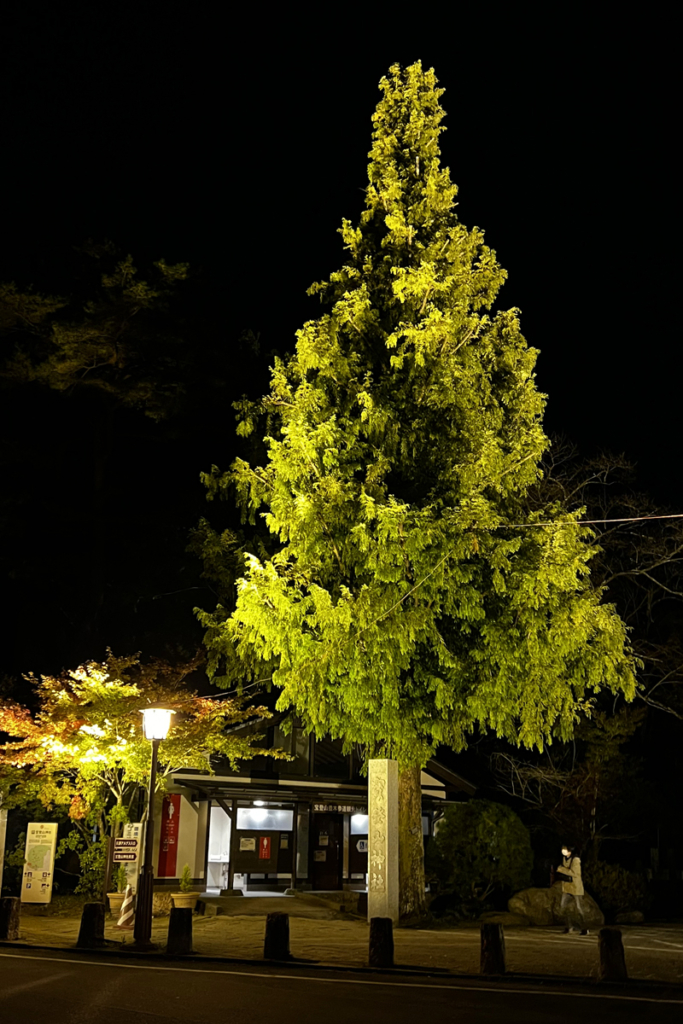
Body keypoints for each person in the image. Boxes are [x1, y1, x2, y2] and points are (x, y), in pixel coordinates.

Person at [556, 843, 589, 934]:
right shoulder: (565, 858)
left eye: (565, 849)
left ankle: (584, 928)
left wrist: (561, 869)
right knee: (563, 907)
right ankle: (569, 926)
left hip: (575, 887)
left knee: (579, 908)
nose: (563, 851)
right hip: (567, 887)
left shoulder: (576, 860)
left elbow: (575, 873)